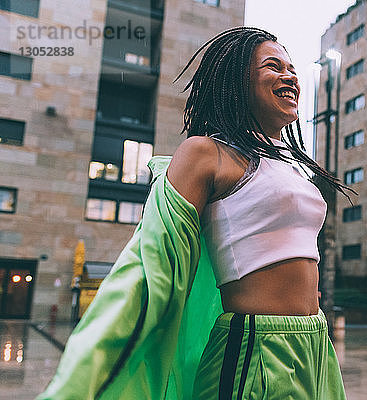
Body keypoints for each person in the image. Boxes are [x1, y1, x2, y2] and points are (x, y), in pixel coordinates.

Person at [37, 27, 350, 399]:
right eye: (273, 66)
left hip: (315, 341)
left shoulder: (288, 164)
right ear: (238, 81)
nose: (290, 76)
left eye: (291, 67)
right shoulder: (206, 153)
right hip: (254, 349)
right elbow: (151, 265)